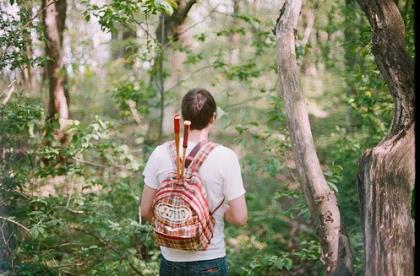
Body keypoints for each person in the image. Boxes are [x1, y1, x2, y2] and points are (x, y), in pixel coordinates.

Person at [140, 88, 248, 275]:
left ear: (182, 118)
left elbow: (145, 210)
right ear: (213, 118)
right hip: (209, 260)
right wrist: (217, 211)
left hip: (170, 262)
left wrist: (174, 227)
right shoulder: (225, 157)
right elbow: (239, 218)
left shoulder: (160, 153)